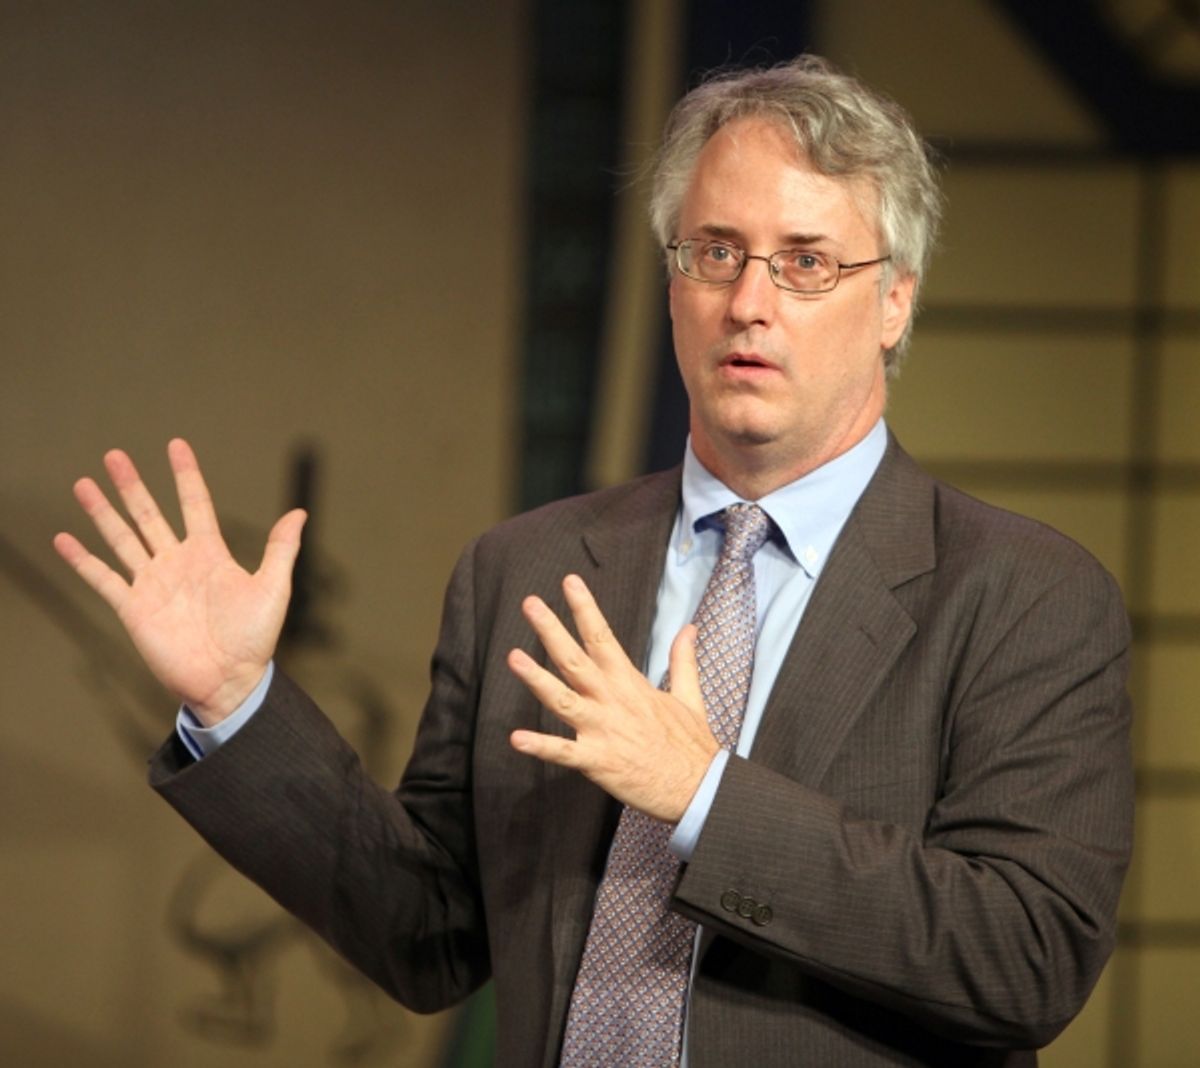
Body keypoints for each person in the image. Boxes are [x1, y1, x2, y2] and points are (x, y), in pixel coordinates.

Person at [55, 55, 1133, 1067]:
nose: (749, 301)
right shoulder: (523, 568)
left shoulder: (1021, 595)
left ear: (894, 299)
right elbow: (430, 934)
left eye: (806, 263)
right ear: (673, 282)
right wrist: (241, 705)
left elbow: (1028, 954)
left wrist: (705, 797)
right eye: (715, 251)